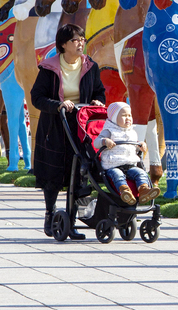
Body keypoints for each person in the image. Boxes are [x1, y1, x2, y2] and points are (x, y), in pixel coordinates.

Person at [31, 24, 106, 240]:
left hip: (81, 125)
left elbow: (100, 91)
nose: (81, 43)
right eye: (75, 40)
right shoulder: (49, 68)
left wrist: (97, 101)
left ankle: (71, 221)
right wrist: (58, 105)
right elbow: (37, 97)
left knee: (80, 172)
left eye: (82, 39)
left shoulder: (90, 66)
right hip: (55, 125)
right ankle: (50, 214)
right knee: (54, 172)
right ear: (63, 44)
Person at [94, 102, 160, 205]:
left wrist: (140, 145)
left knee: (141, 173)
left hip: (130, 165)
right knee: (118, 175)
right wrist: (105, 141)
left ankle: (144, 190)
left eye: (129, 115)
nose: (128, 118)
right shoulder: (109, 131)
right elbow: (96, 142)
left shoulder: (132, 132)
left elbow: (132, 147)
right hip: (113, 165)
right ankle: (125, 191)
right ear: (114, 118)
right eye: (124, 116)